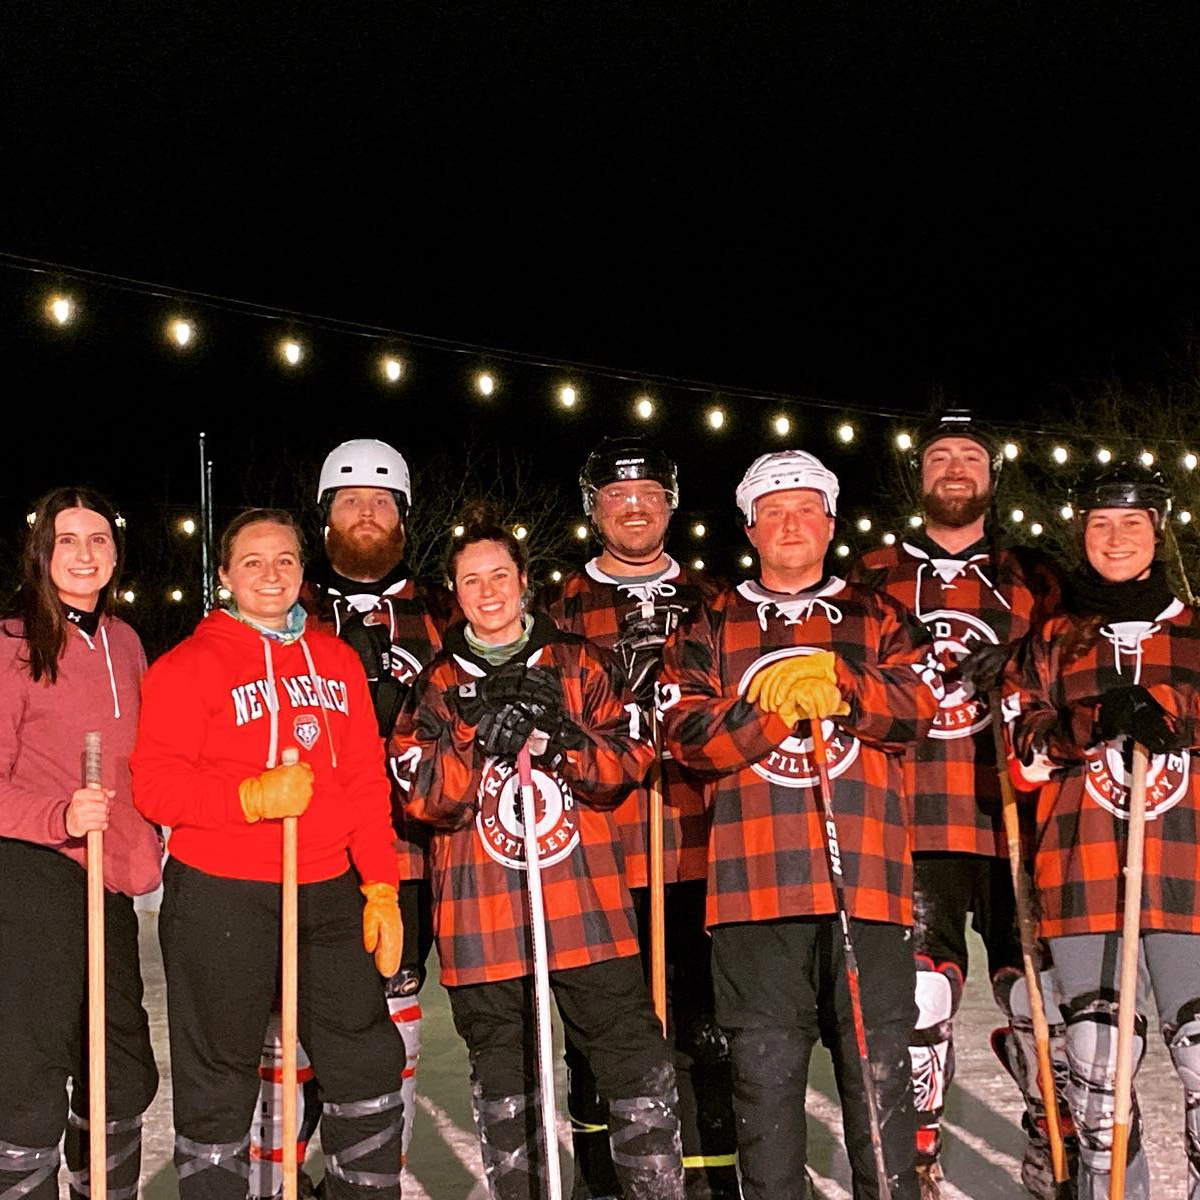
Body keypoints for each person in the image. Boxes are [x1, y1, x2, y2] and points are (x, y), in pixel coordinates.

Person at [660, 450, 941, 1200]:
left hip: (867, 890)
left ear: (831, 523)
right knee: (764, 1091)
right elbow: (684, 733)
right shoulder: (711, 621)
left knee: (879, 1087)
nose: (790, 524)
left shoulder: (879, 616)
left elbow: (920, 709)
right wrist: (771, 709)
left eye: (806, 509)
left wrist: (841, 682)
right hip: (755, 893)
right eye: (773, 511)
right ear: (749, 527)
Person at [391, 505, 686, 1200]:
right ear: (454, 594)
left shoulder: (584, 663)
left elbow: (630, 761)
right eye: (471, 581)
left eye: (500, 575)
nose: (488, 592)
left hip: (584, 906)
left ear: (525, 582)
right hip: (483, 916)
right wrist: (472, 737)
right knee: (507, 1075)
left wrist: (560, 741)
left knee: (632, 1061)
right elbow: (421, 796)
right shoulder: (433, 687)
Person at [131, 508, 405, 1200]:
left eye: (284, 559)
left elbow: (366, 784)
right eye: (251, 561)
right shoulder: (187, 666)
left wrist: (380, 884)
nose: (270, 574)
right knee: (221, 1075)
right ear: (224, 576)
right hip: (222, 893)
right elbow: (155, 785)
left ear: (303, 571)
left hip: (325, 889)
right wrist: (248, 798)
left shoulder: (337, 660)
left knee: (368, 1059)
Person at [850, 408, 1071, 1198]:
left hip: (1019, 817)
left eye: (969, 457)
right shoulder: (873, 575)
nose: (953, 469)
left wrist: (1018, 664)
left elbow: (1070, 667)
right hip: (913, 818)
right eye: (939, 455)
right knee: (921, 994)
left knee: (1043, 995)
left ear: (990, 474)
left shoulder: (1037, 577)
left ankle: (1058, 1138)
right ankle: (918, 1152)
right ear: (920, 474)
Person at [250, 439, 455, 1194]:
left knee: (385, 1021)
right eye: (348, 502)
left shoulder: (442, 609)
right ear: (324, 517)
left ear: (403, 517)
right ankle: (281, 1176)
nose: (365, 515)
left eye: (380, 502)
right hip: (302, 854)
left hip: (405, 858)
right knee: (293, 1021)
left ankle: (369, 1176)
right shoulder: (283, 604)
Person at [541, 437, 736, 1200]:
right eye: (619, 497)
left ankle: (711, 1181)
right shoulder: (558, 608)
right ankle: (605, 1182)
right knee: (601, 1041)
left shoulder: (716, 601)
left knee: (702, 1032)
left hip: (694, 847)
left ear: (672, 503)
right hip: (594, 857)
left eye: (650, 495)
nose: (635, 508)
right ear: (594, 507)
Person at [1006, 461, 1200, 1200]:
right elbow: (1024, 756)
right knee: (1096, 1073)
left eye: (1132, 523)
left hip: (1189, 875)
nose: (1115, 538)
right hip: (1083, 875)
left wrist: (1175, 717)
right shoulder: (1052, 641)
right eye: (1099, 524)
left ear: (1159, 530)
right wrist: (1093, 720)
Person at [0, 486, 161, 1200]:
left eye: (98, 539)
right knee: (32, 1064)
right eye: (68, 540)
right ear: (41, 552)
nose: (85, 554)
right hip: (35, 874)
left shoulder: (125, 640)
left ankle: (101, 1186)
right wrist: (60, 814)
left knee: (119, 1066)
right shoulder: (10, 643)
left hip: (111, 877)